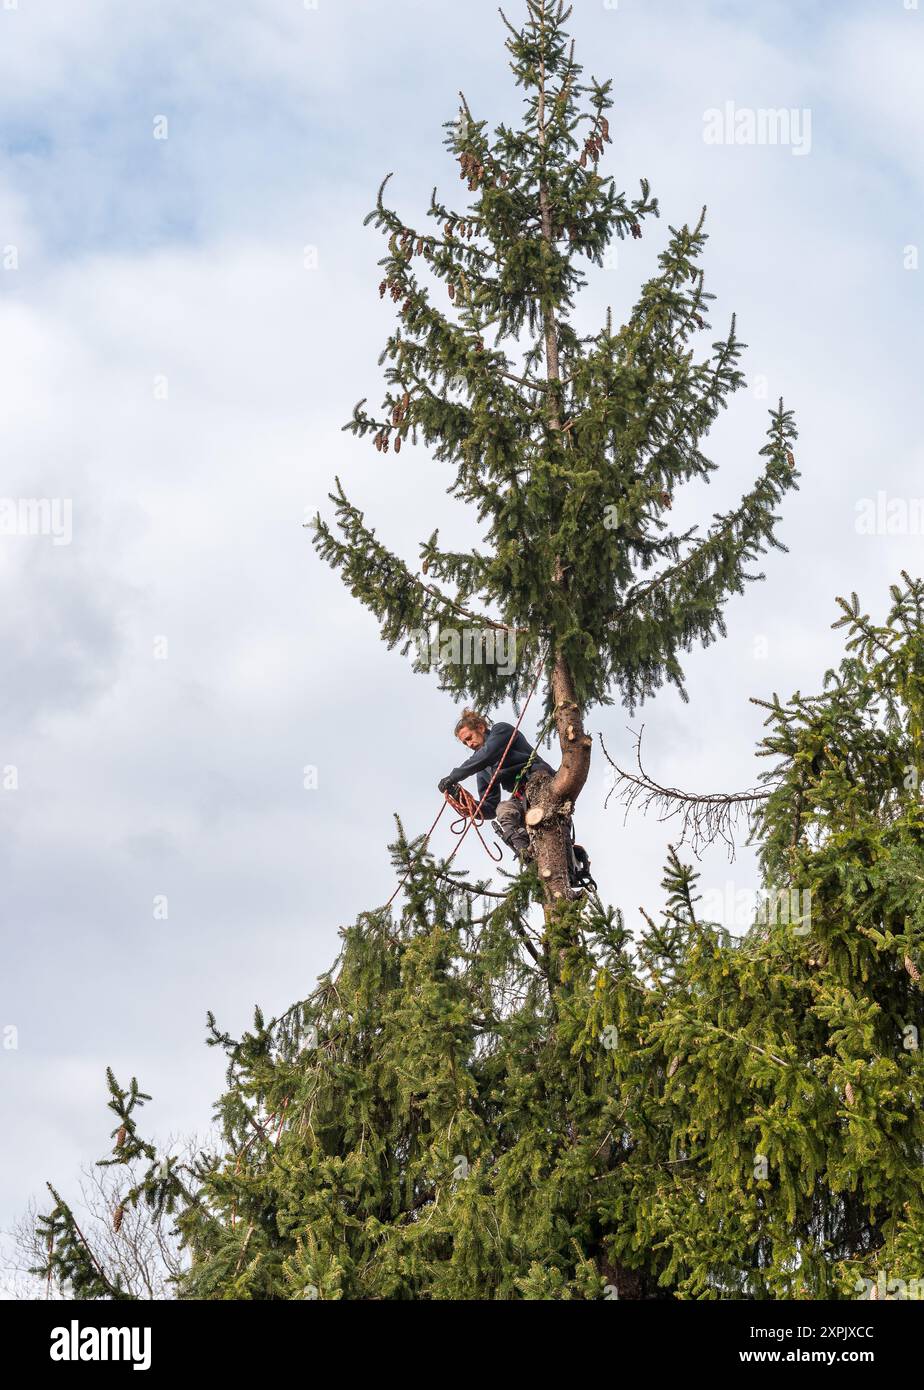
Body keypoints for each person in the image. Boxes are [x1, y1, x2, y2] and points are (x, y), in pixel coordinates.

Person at [437, 709, 555, 860]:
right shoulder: (483, 769)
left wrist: (454, 776)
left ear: (480, 727)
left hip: (539, 780)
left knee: (535, 791)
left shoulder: (501, 730)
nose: (469, 744)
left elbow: (488, 753)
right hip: (522, 797)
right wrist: (459, 796)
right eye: (465, 742)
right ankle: (527, 854)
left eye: (469, 737)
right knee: (503, 810)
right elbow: (490, 808)